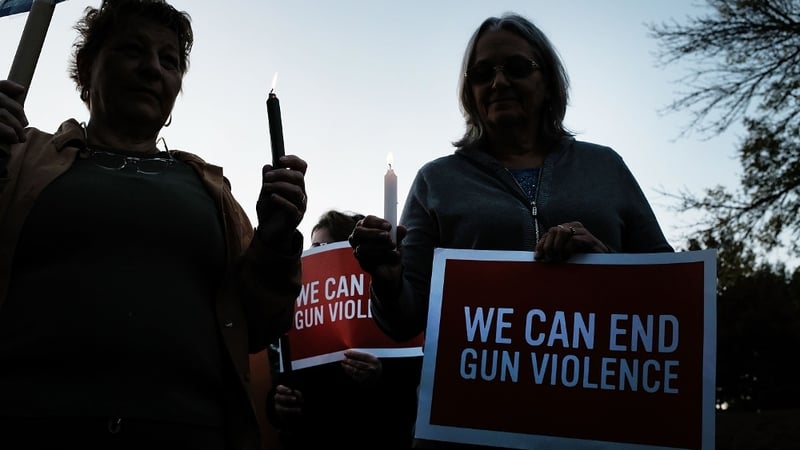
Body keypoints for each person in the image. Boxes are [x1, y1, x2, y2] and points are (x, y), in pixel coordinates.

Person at [347, 12, 674, 447]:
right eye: (483, 73)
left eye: (516, 68)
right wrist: (386, 280)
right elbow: (404, 320)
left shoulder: (606, 166)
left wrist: (605, 266)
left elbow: (671, 289)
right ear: (470, 91)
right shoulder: (436, 180)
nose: (498, 82)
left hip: (596, 417)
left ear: (549, 82)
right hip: (474, 424)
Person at [0, 1, 306, 449]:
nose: (152, 68)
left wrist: (276, 240)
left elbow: (260, 323)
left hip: (186, 431)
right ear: (86, 70)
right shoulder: (20, 159)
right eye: (132, 51)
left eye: (169, 60)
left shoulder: (210, 190)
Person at [266, 210, 422, 449]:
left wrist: (379, 378)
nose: (316, 256)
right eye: (313, 247)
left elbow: (411, 394)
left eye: (325, 247)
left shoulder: (390, 308)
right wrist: (280, 405)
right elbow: (283, 380)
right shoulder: (299, 311)